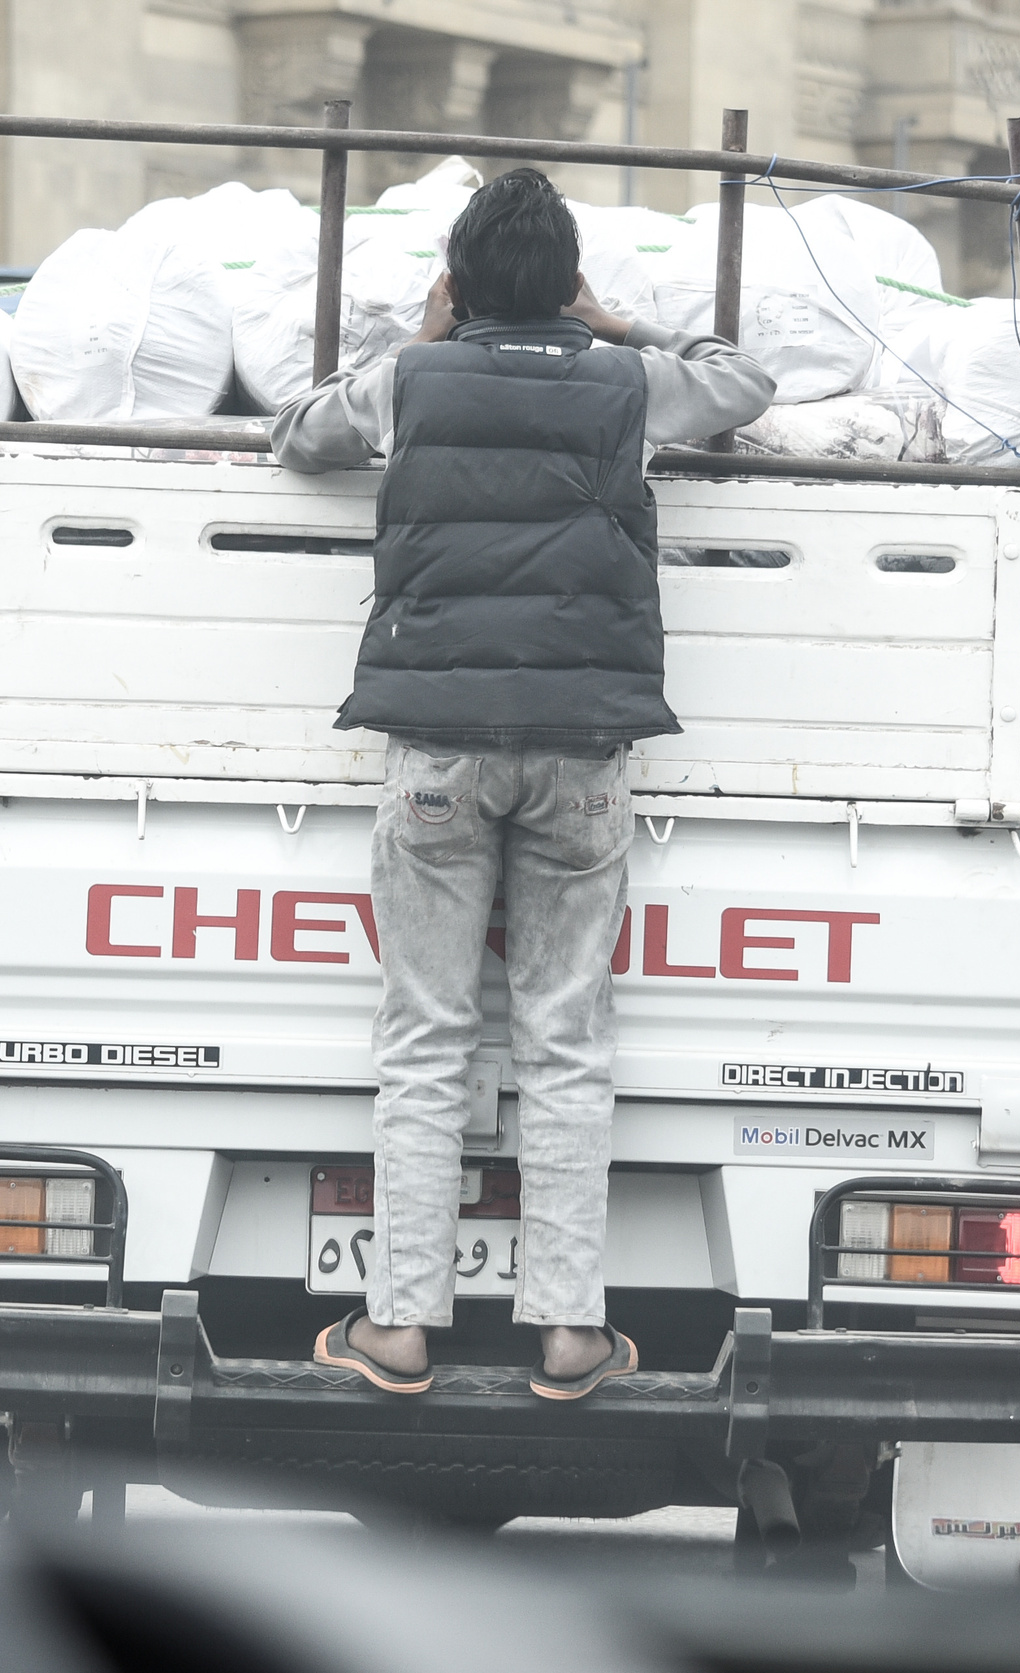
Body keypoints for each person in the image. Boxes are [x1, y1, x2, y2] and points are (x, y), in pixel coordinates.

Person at [271, 168, 774, 1399]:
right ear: (567, 281)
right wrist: (617, 326)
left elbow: (296, 434)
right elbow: (746, 384)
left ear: (455, 280)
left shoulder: (411, 379)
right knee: (563, 1040)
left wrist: (422, 334)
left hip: (437, 741)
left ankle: (397, 1326)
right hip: (582, 748)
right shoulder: (624, 382)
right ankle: (566, 1331)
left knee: (426, 1040)